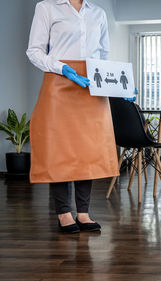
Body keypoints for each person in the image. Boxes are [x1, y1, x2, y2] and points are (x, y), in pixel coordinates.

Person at [26, 0, 119, 234]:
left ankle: (84, 213)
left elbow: (103, 55)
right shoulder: (47, 7)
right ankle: (64, 213)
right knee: (61, 149)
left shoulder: (98, 13)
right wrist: (62, 68)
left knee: (86, 150)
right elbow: (34, 51)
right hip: (59, 82)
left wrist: (119, 85)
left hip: (91, 86)